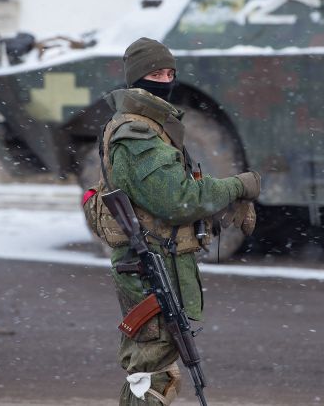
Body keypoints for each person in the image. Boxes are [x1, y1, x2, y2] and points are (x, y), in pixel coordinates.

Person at [100, 37, 261, 405]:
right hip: (150, 264)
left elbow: (171, 194)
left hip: (162, 261)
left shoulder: (153, 127)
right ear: (137, 79)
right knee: (151, 373)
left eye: (170, 72)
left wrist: (219, 203)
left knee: (159, 366)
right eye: (155, 73)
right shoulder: (138, 135)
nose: (164, 79)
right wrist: (238, 186)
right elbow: (177, 200)